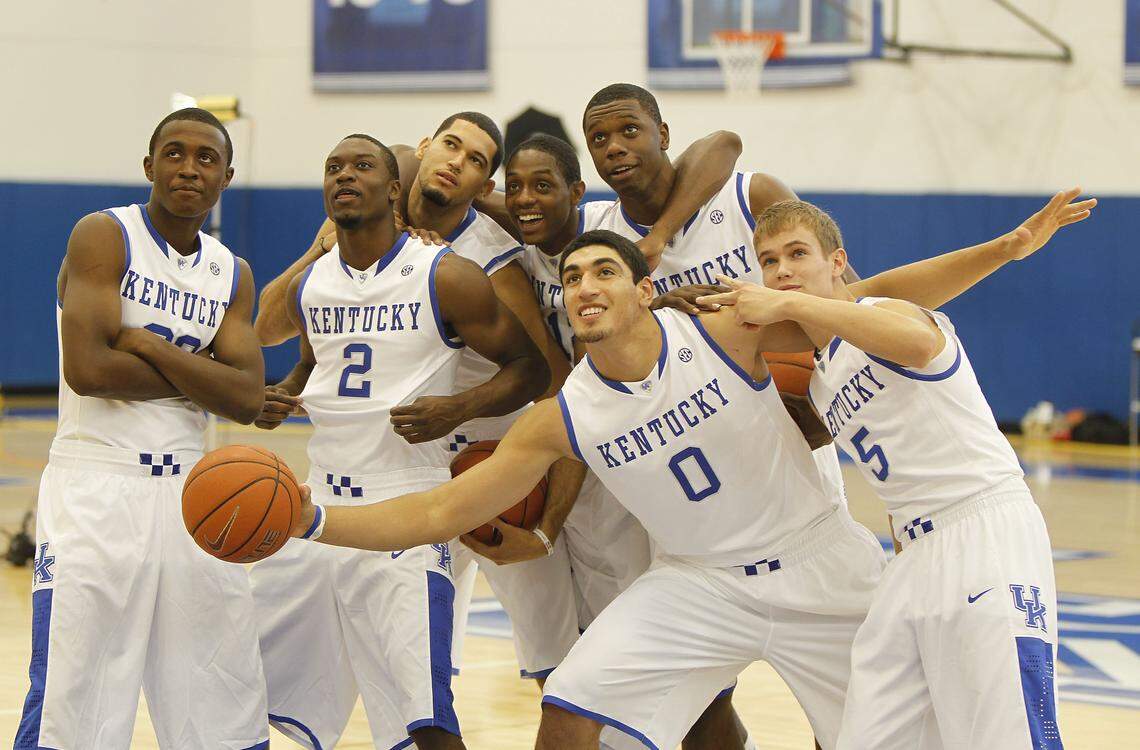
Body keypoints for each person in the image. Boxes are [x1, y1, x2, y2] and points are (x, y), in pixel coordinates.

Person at [276, 230, 890, 750]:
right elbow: (440, 510)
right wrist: (316, 521)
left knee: (878, 730)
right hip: (703, 582)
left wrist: (990, 251)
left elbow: (877, 304)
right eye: (570, 278)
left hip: (818, 559)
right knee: (570, 706)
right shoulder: (564, 416)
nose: (585, 287)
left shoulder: (721, 332)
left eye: (604, 272)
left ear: (645, 291)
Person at [701, 190, 1094, 750]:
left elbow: (913, 342)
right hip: (912, 560)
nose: (782, 271)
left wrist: (790, 305)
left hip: (984, 533)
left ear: (836, 262)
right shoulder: (819, 379)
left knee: (1006, 733)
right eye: (769, 262)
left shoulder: (885, 313)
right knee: (868, 735)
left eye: (796, 254)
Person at [248, 134, 550, 750]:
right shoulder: (316, 284)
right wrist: (285, 391)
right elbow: (295, 345)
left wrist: (459, 407)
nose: (344, 176)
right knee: (243, 686)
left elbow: (531, 370)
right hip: (314, 505)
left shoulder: (447, 275)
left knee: (426, 722)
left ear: (394, 190)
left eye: (362, 167)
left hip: (406, 505)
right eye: (333, 167)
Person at [15, 108, 269, 750]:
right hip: (98, 488)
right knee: (77, 700)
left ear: (227, 178)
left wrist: (149, 347)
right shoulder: (104, 235)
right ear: (149, 166)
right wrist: (202, 376)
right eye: (175, 154)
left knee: (221, 693)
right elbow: (91, 370)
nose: (190, 167)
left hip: (197, 498)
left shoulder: (231, 272)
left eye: (207, 158)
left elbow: (245, 397)